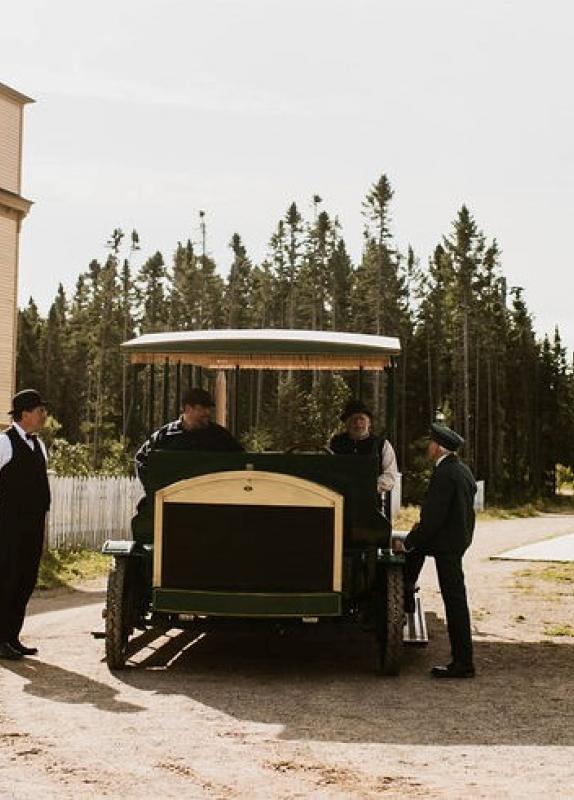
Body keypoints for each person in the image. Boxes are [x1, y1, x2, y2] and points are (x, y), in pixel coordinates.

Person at [397, 422, 477, 679]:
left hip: (446, 545)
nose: (428, 447)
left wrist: (409, 542)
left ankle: (463, 663)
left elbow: (433, 518)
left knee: (454, 603)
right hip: (455, 542)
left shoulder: (444, 474)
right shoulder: (462, 471)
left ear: (439, 448)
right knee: (455, 599)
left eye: (431, 443)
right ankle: (407, 590)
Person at [0, 389, 51, 660]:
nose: (43, 415)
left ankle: (12, 636)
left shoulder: (39, 444)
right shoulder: (4, 443)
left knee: (26, 579)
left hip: (33, 525)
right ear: (25, 414)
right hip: (8, 525)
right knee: (7, 578)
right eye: (39, 410)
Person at [135, 387, 243, 488]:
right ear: (188, 408)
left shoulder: (220, 437)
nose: (207, 413)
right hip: (172, 499)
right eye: (202, 408)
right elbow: (142, 460)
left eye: (209, 408)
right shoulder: (165, 436)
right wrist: (156, 487)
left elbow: (240, 460)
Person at [329, 399, 399, 500]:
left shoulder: (382, 445)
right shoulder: (335, 443)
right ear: (346, 423)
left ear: (369, 423)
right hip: (340, 499)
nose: (358, 424)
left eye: (361, 419)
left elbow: (390, 476)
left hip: (371, 501)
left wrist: (368, 488)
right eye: (353, 420)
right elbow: (328, 469)